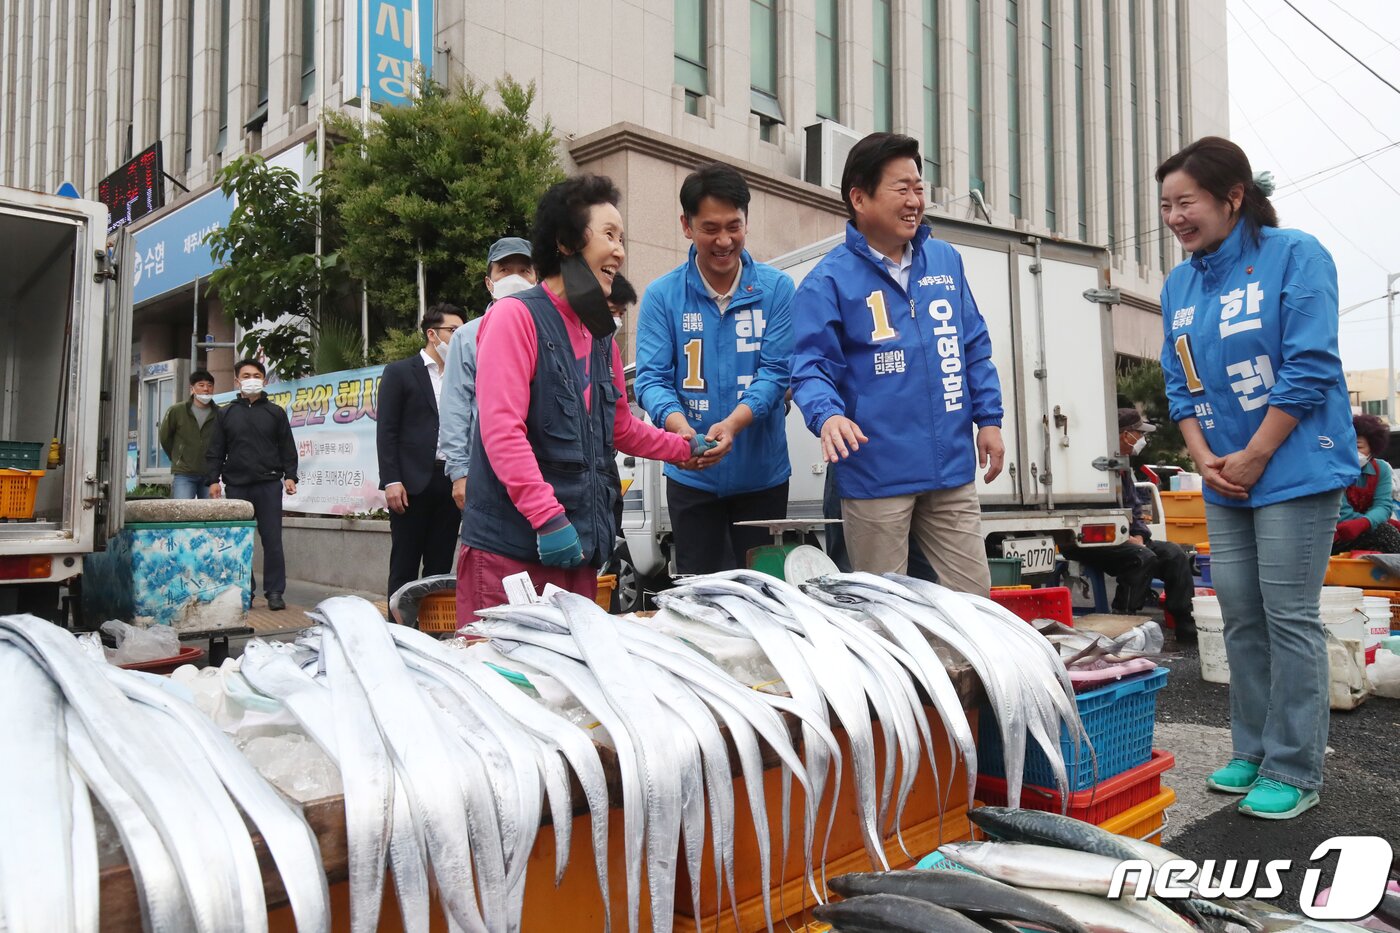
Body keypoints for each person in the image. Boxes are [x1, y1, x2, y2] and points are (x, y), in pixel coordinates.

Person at [1158, 136, 1355, 819]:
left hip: (1294, 468)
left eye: (1186, 202)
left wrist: (1258, 452)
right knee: (1241, 614)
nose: (1175, 216)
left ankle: (1296, 766)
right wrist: (1202, 456)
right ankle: (1254, 746)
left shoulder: (1296, 255)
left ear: (1233, 197)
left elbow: (1309, 365)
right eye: (1165, 205)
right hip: (1223, 474)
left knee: (1288, 616)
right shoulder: (1179, 283)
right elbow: (1179, 383)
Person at [455, 175, 709, 622]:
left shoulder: (600, 337)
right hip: (514, 551)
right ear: (568, 242)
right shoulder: (516, 317)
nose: (620, 251)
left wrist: (685, 447)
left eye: (622, 238)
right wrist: (547, 518)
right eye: (609, 235)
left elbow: (620, 427)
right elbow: (501, 431)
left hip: (578, 552)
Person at [791, 133, 1005, 596]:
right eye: (901, 189)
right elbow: (809, 367)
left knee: (976, 604)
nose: (915, 201)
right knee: (884, 611)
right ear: (859, 197)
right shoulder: (827, 280)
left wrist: (989, 419)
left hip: (950, 469)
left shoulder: (945, 260)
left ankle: (967, 673)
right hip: (876, 475)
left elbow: (973, 344)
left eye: (919, 188)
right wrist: (827, 416)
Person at [634, 163, 796, 573]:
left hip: (763, 480)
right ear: (686, 226)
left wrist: (734, 424)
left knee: (765, 597)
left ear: (746, 221)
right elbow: (651, 379)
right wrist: (678, 430)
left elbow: (776, 373)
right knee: (702, 596)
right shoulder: (662, 296)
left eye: (734, 226)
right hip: (691, 478)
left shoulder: (777, 290)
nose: (724, 241)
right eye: (710, 228)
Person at [1061, 409, 1198, 640]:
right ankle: (1123, 622)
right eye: (1139, 433)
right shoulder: (1090, 465)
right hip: (1088, 540)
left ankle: (1185, 624)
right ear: (1126, 436)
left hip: (1125, 537)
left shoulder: (1122, 466)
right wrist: (1127, 539)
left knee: (1175, 554)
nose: (1142, 439)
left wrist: (1139, 536)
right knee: (1141, 558)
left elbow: (1134, 507)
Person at [377, 303, 468, 600]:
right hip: (411, 483)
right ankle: (398, 633)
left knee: (440, 567)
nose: (458, 337)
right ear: (432, 333)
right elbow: (387, 432)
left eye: (462, 331)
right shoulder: (400, 373)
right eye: (452, 331)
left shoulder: (465, 374)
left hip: (451, 478)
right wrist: (391, 480)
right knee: (404, 564)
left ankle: (432, 636)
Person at [439, 236, 537, 512]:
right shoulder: (468, 336)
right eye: (505, 270)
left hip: (542, 469)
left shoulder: (548, 330)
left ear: (536, 278)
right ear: (489, 282)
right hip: (488, 470)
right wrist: (459, 472)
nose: (515, 277)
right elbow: (456, 404)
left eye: (523, 270)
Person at [206, 358, 299, 611]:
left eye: (257, 375)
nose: (251, 379)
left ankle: (275, 592)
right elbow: (216, 450)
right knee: (240, 542)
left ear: (264, 380)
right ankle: (244, 591)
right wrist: (213, 480)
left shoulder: (275, 412)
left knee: (272, 541)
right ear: (237, 380)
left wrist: (291, 475)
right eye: (246, 375)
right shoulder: (225, 414)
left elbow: (287, 448)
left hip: (268, 484)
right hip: (236, 486)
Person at [1333, 414, 1400, 554]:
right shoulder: (1333, 470)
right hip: (1336, 536)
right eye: (1348, 446)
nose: (1353, 452)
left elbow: (1384, 506)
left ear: (1372, 448)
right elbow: (1342, 513)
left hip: (1369, 529)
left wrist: (1366, 522)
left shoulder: (1381, 469)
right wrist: (1375, 522)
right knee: (1386, 533)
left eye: (1358, 447)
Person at [159, 369, 218, 499]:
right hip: (184, 474)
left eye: (209, 385)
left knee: (210, 515)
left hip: (210, 475)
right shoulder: (177, 410)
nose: (206, 389)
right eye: (201, 385)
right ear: (192, 388)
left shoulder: (219, 413)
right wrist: (178, 457)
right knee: (181, 513)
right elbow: (165, 438)